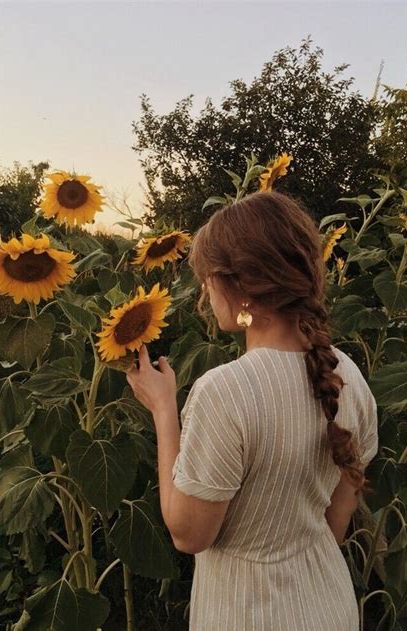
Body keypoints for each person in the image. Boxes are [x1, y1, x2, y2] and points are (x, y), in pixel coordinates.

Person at [127, 191, 379, 630]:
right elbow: (337, 518)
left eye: (208, 278)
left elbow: (189, 533)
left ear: (240, 288)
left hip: (247, 610)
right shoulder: (347, 373)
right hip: (328, 601)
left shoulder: (225, 392)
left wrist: (164, 409)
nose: (205, 290)